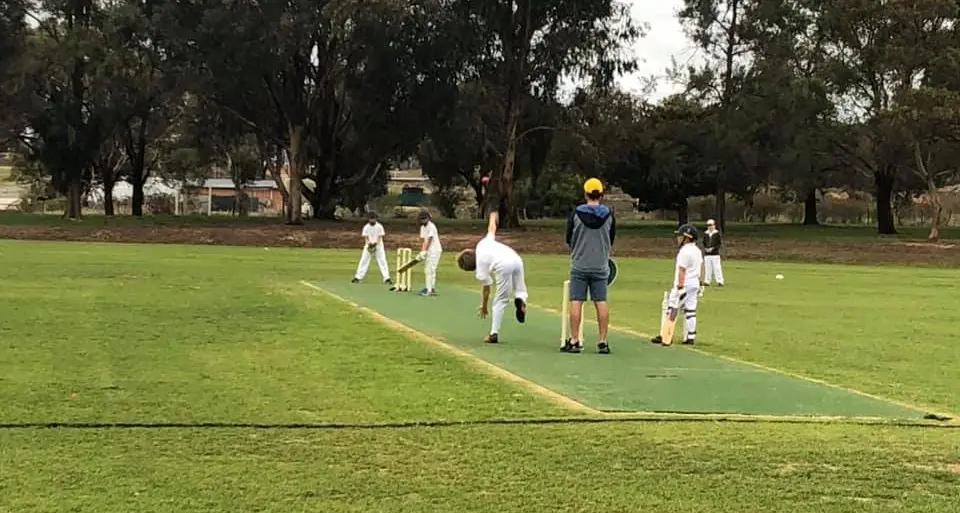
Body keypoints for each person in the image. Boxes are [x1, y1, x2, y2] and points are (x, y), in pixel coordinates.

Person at [455, 211, 528, 344]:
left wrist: (484, 306)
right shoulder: (482, 244)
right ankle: (521, 300)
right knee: (520, 288)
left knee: (500, 300)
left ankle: (493, 334)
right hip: (515, 257)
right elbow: (491, 229)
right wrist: (493, 216)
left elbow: (486, 290)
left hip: (503, 265)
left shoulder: (480, 269)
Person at [562, 177, 616, 354]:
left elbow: (568, 237)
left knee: (576, 300)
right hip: (600, 264)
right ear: (601, 194)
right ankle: (603, 341)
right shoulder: (609, 214)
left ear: (585, 193)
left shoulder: (576, 213)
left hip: (580, 263)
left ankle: (575, 339)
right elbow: (612, 237)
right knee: (601, 301)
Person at [651, 224, 703, 346]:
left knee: (672, 308)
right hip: (694, 283)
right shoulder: (697, 250)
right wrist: (701, 282)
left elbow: (682, 270)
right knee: (690, 310)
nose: (678, 238)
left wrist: (679, 286)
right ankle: (690, 336)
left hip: (684, 283)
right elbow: (701, 266)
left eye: (680, 236)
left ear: (687, 237)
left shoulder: (684, 252)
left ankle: (666, 335)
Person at [352, 211, 392, 284]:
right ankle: (358, 277)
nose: (372, 220)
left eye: (373, 219)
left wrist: (375, 244)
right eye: (371, 219)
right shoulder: (366, 227)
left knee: (382, 261)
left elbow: (380, 237)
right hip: (368, 246)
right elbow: (366, 237)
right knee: (364, 260)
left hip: (379, 246)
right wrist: (369, 244)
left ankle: (387, 278)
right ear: (368, 219)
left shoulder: (379, 226)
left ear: (376, 219)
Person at [417, 209, 442, 296]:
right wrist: (422, 251)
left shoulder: (432, 226)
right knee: (430, 269)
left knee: (430, 269)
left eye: (425, 219)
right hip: (429, 250)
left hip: (435, 250)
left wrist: (425, 250)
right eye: (422, 219)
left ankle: (429, 290)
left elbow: (430, 239)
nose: (423, 220)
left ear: (428, 218)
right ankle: (431, 288)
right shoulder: (422, 228)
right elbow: (424, 241)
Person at [702, 218, 725, 287]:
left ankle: (720, 281)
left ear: (714, 225)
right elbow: (704, 242)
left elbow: (719, 243)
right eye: (708, 225)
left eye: (711, 225)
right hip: (707, 254)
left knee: (717, 268)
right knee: (708, 268)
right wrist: (706, 248)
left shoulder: (717, 233)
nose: (710, 227)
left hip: (715, 254)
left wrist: (713, 248)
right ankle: (707, 281)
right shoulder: (705, 233)